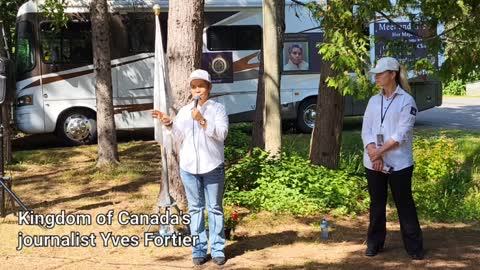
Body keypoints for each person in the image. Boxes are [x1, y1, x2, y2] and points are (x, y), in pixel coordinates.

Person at [151, 69, 229, 266]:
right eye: (194, 87)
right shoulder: (186, 110)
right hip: (189, 167)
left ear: (209, 88)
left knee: (214, 208)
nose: (197, 90)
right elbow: (179, 135)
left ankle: (218, 248)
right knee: (195, 209)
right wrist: (168, 123)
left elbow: (222, 134)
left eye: (201, 86)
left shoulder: (217, 109)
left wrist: (202, 120)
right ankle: (199, 249)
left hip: (212, 166)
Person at [361, 57, 424, 260]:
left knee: (404, 204)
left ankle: (414, 248)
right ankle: (374, 244)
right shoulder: (373, 101)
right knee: (376, 204)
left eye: (380, 73)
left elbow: (401, 134)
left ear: (392, 75)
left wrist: (378, 153)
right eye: (376, 74)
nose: (376, 77)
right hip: (373, 162)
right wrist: (373, 153)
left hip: (399, 163)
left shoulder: (407, 101)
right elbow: (366, 130)